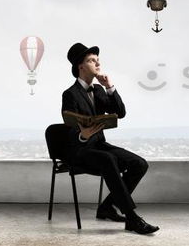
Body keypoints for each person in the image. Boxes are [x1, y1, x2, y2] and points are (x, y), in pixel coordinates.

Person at [61, 42, 158, 235]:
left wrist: (109, 87)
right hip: (80, 150)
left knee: (139, 163)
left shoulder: (98, 90)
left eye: (98, 61)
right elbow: (70, 129)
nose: (97, 64)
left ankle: (107, 207)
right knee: (108, 159)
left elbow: (120, 113)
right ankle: (132, 219)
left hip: (99, 145)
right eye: (91, 60)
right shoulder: (70, 94)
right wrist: (83, 135)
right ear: (80, 66)